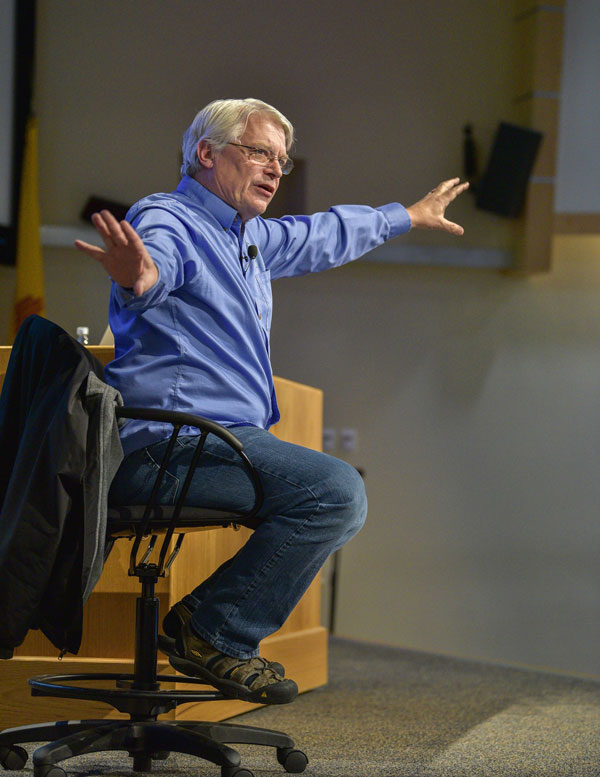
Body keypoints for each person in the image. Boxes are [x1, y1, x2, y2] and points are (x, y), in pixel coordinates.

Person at [75, 98, 468, 706]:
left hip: (215, 442)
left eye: (281, 161)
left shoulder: (249, 239)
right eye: (259, 152)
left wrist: (407, 216)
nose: (274, 170)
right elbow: (154, 271)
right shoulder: (169, 219)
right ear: (207, 154)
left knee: (331, 492)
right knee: (332, 492)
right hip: (171, 447)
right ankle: (212, 631)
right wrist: (138, 277)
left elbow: (323, 234)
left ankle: (210, 627)